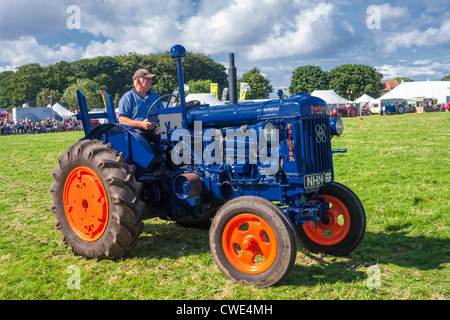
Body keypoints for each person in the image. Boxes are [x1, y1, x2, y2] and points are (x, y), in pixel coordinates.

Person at [118, 69, 164, 144]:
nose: (151, 81)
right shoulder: (128, 97)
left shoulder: (154, 95)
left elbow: (162, 113)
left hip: (153, 129)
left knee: (168, 135)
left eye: (151, 79)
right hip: (136, 130)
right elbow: (122, 120)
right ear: (138, 81)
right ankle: (152, 155)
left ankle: (172, 154)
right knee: (140, 138)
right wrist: (141, 124)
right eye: (148, 79)